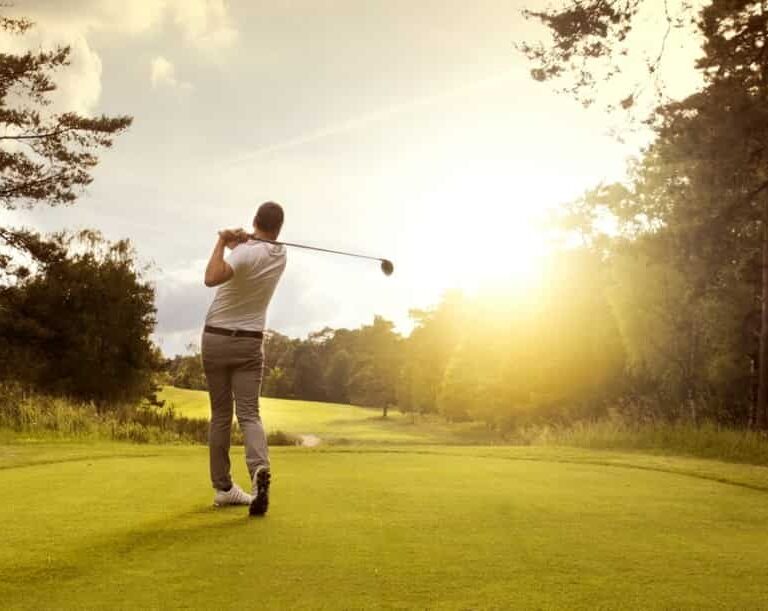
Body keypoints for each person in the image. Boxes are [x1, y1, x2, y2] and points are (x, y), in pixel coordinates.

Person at [201, 201, 287, 516]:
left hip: (217, 338)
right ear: (279, 228)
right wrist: (242, 243)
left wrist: (223, 242)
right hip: (250, 343)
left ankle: (223, 488)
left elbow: (211, 277)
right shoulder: (280, 255)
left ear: (254, 220)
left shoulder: (243, 252)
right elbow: (254, 254)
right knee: (250, 414)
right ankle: (258, 470)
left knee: (221, 415)